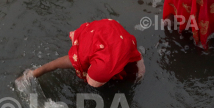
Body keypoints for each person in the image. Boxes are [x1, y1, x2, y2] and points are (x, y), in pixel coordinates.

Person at [17, 19, 145, 87]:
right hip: (100, 34)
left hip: (113, 33)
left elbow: (133, 50)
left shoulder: (125, 48)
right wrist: (32, 74)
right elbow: (53, 65)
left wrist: (140, 65)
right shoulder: (79, 56)